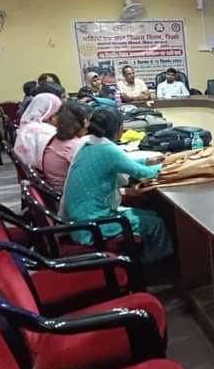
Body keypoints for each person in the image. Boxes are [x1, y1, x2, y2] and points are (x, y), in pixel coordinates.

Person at [61, 107, 172, 263]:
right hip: (95, 225)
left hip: (81, 220)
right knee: (155, 223)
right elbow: (144, 174)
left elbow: (122, 162)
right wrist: (171, 164)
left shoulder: (89, 143)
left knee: (151, 215)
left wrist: (148, 160)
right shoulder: (106, 149)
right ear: (119, 129)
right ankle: (156, 267)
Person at [41, 101, 92, 191]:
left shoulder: (54, 139)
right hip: (70, 193)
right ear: (85, 122)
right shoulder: (75, 146)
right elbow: (91, 175)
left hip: (56, 190)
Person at [13, 92, 62, 170]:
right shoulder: (46, 133)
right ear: (52, 115)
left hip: (33, 173)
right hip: (47, 173)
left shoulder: (26, 126)